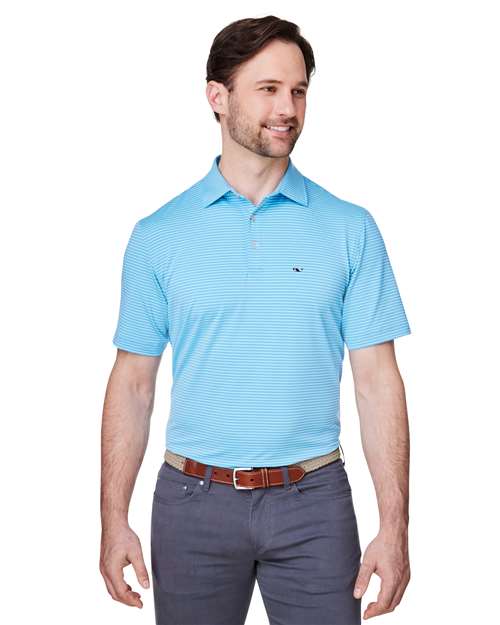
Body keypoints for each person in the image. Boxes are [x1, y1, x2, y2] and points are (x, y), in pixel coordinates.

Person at [99, 15, 412, 625]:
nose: (287, 108)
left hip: (314, 504)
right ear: (217, 97)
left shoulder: (350, 229)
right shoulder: (158, 235)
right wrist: (113, 520)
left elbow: (378, 384)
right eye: (267, 89)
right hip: (191, 505)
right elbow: (133, 384)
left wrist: (395, 527)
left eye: (298, 91)